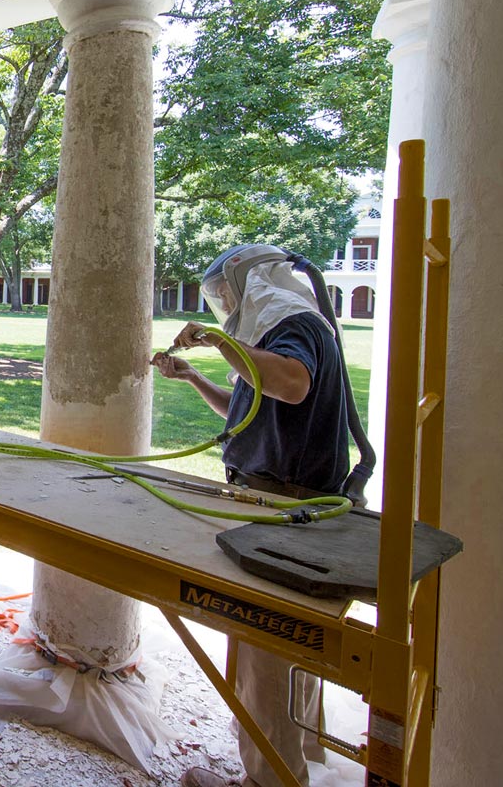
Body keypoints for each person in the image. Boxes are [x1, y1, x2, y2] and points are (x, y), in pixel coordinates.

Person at [152, 244, 351, 787]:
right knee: (294, 648)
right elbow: (247, 405)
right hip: (281, 504)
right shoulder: (276, 335)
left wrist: (219, 340)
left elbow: (290, 384)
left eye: (225, 293)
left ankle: (268, 778)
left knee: (263, 649)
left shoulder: (296, 327)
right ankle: (300, 758)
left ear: (252, 283)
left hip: (283, 510)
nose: (225, 305)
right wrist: (194, 376)